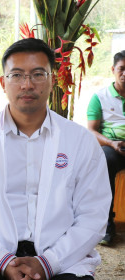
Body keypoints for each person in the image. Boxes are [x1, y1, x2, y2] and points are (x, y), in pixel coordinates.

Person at [0, 38, 111, 280]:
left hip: (62, 259)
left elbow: (93, 215)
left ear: (52, 80)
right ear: (3, 82)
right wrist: (2, 259)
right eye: (17, 75)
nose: (27, 84)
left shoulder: (80, 141)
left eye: (38, 74)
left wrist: (48, 263)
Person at [87, 50, 125, 245]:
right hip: (114, 147)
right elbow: (91, 131)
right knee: (104, 159)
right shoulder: (100, 97)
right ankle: (107, 226)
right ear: (113, 70)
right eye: (121, 69)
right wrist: (112, 143)